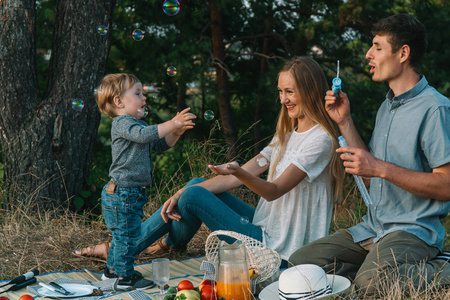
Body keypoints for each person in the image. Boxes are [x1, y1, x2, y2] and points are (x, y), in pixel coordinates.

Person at [76, 57, 343, 266]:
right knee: (195, 186)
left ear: (309, 91)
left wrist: (238, 174)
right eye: (280, 91)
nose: (283, 99)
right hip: (267, 227)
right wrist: (183, 191)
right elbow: (240, 173)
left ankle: (120, 249)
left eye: (290, 92)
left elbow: (272, 192)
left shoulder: (319, 140)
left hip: (279, 249)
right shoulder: (287, 134)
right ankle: (168, 244)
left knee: (194, 195)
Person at [288, 14, 450, 296]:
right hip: (374, 228)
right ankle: (378, 267)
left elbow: (446, 185)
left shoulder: (435, 108)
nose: (368, 54)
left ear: (403, 53)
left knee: (371, 284)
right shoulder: (385, 108)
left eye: (377, 46)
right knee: (301, 266)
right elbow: (375, 178)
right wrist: (344, 121)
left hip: (413, 231)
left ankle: (440, 267)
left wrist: (380, 167)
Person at [80, 73, 196, 290]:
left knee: (122, 235)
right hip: (123, 193)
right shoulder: (123, 123)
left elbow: (159, 144)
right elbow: (145, 135)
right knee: (128, 236)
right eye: (138, 93)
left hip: (129, 193)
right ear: (119, 101)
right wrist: (172, 122)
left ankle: (112, 272)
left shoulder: (136, 125)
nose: (144, 97)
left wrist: (176, 131)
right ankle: (125, 278)